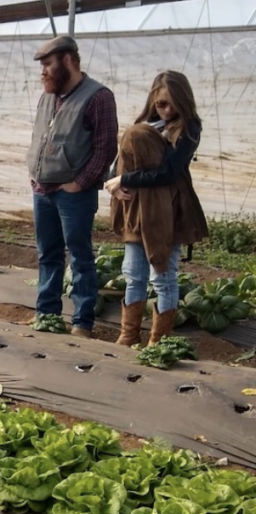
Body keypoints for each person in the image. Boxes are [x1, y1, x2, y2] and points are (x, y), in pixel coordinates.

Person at [103, 71, 208, 346]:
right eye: (162, 103)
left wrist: (124, 179)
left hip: (168, 212)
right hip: (137, 210)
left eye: (174, 103)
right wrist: (113, 182)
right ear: (153, 99)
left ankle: (159, 342)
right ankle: (128, 336)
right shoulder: (144, 124)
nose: (168, 109)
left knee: (163, 276)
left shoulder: (188, 127)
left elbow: (168, 172)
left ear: (183, 102)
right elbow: (118, 163)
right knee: (133, 274)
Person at [26, 35, 118, 339]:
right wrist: (34, 171)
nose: (43, 72)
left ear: (68, 61)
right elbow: (40, 137)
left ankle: (82, 322)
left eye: (48, 64)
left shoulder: (98, 97)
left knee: (80, 255)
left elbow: (105, 149)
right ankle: (47, 314)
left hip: (73, 195)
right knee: (47, 254)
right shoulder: (47, 97)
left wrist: (79, 183)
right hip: (42, 191)